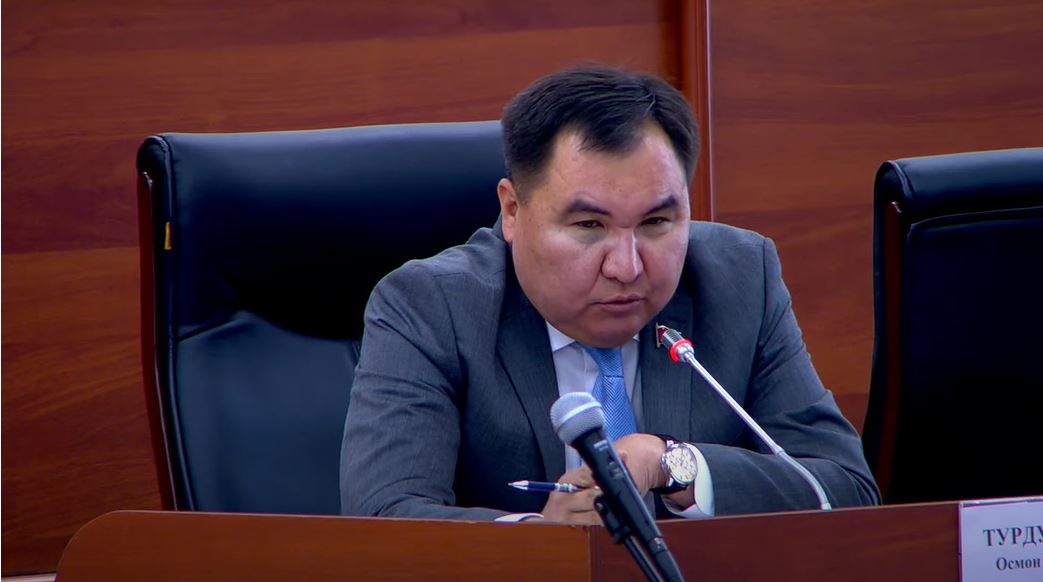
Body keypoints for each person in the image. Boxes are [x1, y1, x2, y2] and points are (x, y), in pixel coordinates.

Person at [340, 66, 879, 523]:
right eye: (589, 226)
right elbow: (385, 516)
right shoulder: (429, 306)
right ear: (512, 211)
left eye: (656, 222)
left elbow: (846, 489)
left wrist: (671, 464)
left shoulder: (739, 280)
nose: (626, 267)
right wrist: (541, 539)